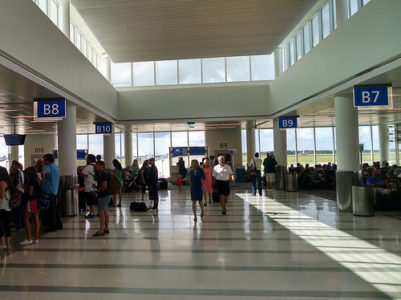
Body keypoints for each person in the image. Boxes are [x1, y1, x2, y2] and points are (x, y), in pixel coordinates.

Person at [20, 166, 41, 245]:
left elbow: (30, 193)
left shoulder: (31, 181)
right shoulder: (37, 180)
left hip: (31, 201)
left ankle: (29, 238)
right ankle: (36, 238)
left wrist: (24, 188)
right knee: (36, 219)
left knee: (26, 219)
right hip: (37, 201)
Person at [41, 154, 61, 232]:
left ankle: (51, 226)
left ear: (47, 160)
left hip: (48, 190)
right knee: (54, 209)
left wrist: (43, 180)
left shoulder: (48, 167)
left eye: (44, 159)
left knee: (49, 210)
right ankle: (57, 224)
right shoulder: (56, 168)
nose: (43, 161)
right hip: (54, 190)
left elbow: (43, 173)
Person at [92, 161, 111, 237]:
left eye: (97, 166)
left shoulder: (103, 174)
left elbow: (104, 186)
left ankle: (101, 230)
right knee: (105, 211)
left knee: (101, 213)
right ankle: (106, 228)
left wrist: (96, 191)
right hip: (106, 195)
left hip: (103, 195)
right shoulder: (103, 174)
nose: (96, 168)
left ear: (101, 166)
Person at [0, 167, 13, 249]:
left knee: (0, 225)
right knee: (6, 225)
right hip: (7, 207)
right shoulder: (8, 182)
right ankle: (8, 244)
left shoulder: (2, 183)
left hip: (2, 207)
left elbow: (1, 195)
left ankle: (3, 244)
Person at [9, 160, 24, 230]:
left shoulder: (17, 172)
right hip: (21, 192)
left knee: (15, 209)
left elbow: (16, 182)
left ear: (16, 165)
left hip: (17, 192)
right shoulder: (21, 172)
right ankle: (20, 225)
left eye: (13, 165)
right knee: (20, 209)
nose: (12, 166)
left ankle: (18, 226)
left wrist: (14, 190)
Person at [82, 154, 97, 219]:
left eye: (87, 158)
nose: (86, 159)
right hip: (95, 185)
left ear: (89, 159)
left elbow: (83, 173)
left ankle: (91, 213)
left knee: (90, 200)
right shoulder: (96, 165)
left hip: (89, 185)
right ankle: (98, 212)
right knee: (95, 199)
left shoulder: (89, 166)